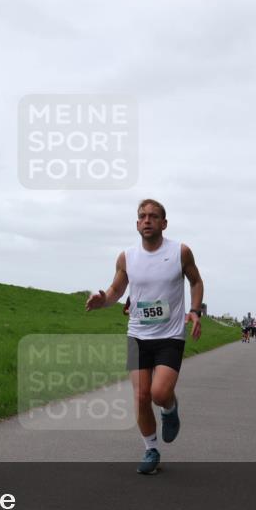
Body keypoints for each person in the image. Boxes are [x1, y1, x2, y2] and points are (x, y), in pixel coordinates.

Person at [85, 199, 203, 475]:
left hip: (170, 335)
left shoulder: (180, 252)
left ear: (164, 223)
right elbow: (115, 290)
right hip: (138, 334)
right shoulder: (127, 257)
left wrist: (195, 311)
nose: (147, 220)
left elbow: (196, 281)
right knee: (140, 397)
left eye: (153, 216)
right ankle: (151, 448)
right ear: (137, 224)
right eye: (142, 216)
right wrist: (102, 299)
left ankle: (170, 407)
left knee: (159, 393)